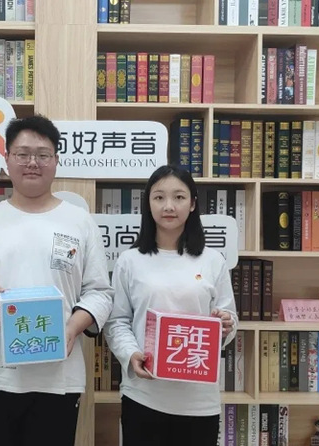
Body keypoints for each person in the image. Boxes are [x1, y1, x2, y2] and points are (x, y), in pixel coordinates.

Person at [0, 114, 113, 446]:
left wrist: (71, 328)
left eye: (43, 154)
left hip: (56, 374)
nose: (32, 163)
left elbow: (99, 292)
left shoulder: (79, 222)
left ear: (56, 160)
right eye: (22, 154)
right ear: (6, 159)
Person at [103, 164, 238, 446]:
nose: (169, 206)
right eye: (159, 197)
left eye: (179, 197)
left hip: (198, 401)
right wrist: (131, 354)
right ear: (148, 203)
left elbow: (229, 318)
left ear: (193, 204)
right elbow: (117, 321)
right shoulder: (130, 261)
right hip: (144, 395)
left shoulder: (213, 260)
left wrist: (225, 324)